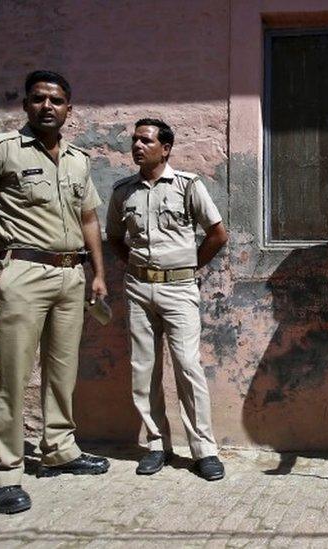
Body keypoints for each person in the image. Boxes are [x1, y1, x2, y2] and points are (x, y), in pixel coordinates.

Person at [0, 70, 110, 515]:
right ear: (25, 105)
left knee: (63, 370)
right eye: (38, 99)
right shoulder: (1, 150)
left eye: (56, 100)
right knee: (13, 375)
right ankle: (2, 473)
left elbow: (89, 219)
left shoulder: (78, 159)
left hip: (71, 276)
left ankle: (60, 449)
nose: (47, 106)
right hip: (22, 273)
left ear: (68, 110)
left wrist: (97, 273)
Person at [106, 119, 229, 481]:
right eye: (135, 140)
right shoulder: (122, 191)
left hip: (179, 289)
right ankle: (157, 444)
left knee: (188, 367)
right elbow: (114, 236)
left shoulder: (188, 185)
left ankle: (204, 449)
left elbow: (217, 234)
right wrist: (134, 266)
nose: (137, 145)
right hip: (139, 288)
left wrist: (191, 268)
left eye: (146, 140)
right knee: (144, 369)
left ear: (166, 148)